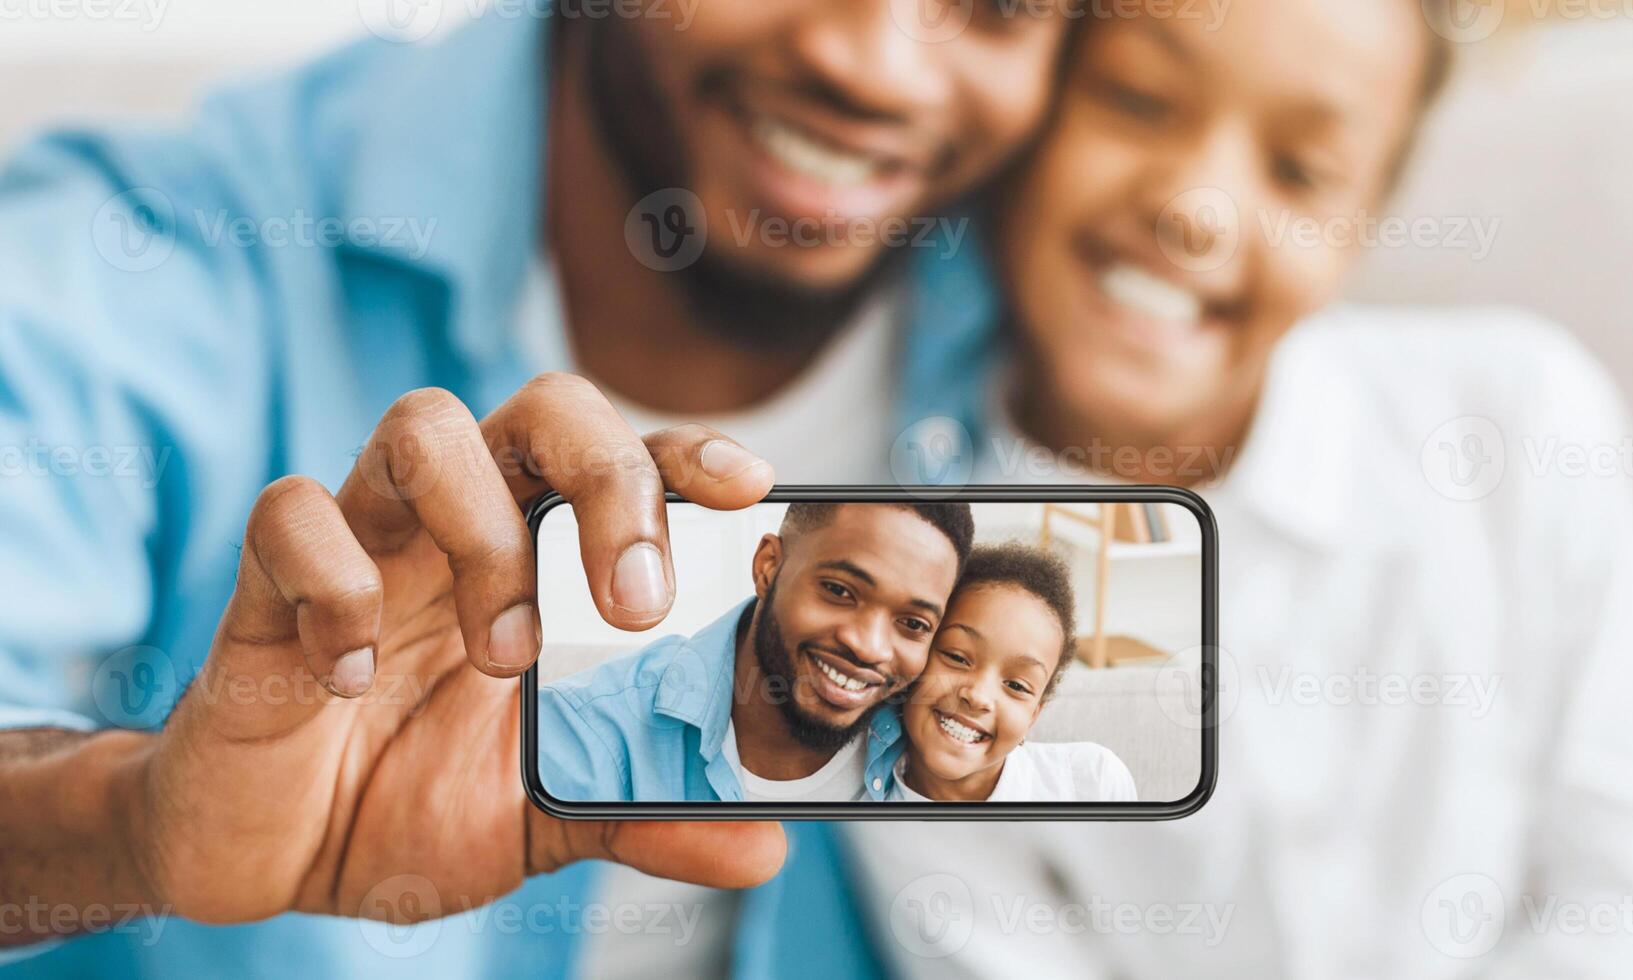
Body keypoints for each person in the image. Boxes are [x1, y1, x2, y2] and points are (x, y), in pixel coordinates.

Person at [0, 2, 1073, 974]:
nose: (879, 66)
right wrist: (131, 821)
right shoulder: (137, 256)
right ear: (766, 563)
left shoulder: (1052, 302)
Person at [816, 0, 1633, 975]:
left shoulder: (1517, 423)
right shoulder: (906, 589)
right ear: (1032, 114)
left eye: (1299, 171)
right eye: (1137, 100)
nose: (1196, 209)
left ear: (1361, 224)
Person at [537, 502, 973, 802]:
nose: (868, 647)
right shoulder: (580, 733)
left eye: (913, 625)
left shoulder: (936, 747)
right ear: (768, 567)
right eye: (839, 591)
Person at [888, 542, 1137, 803]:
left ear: (1033, 716)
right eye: (957, 658)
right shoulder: (855, 808)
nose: (978, 697)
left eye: (1017, 686)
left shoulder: (1091, 782)